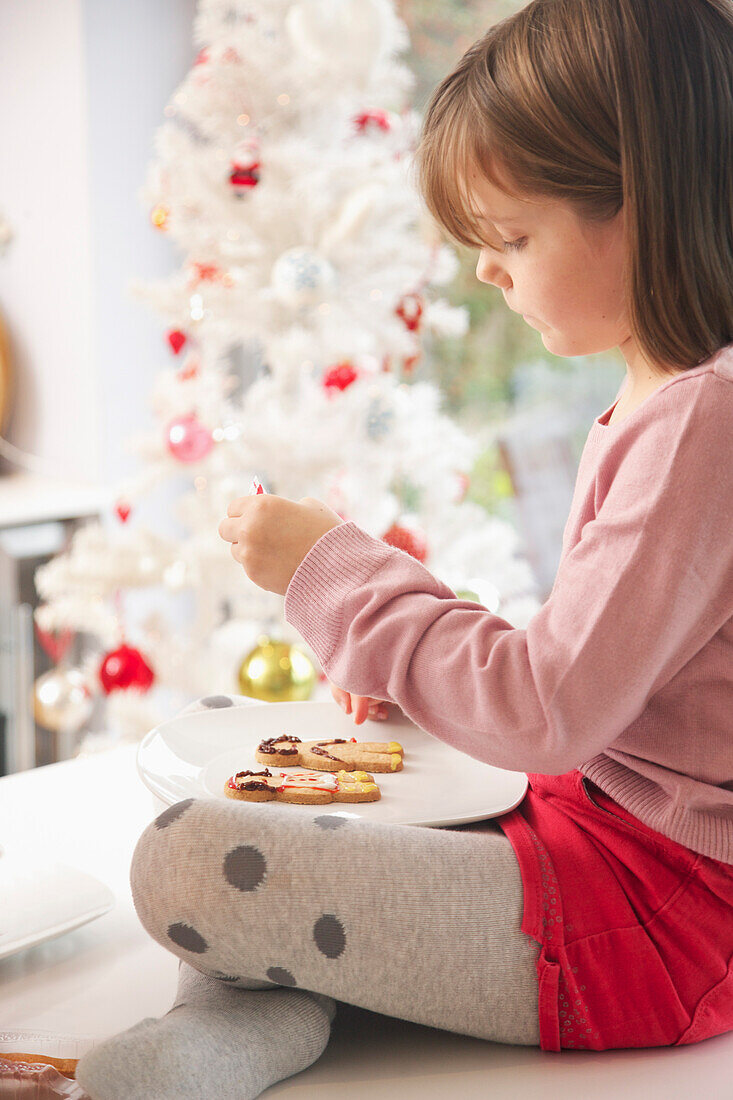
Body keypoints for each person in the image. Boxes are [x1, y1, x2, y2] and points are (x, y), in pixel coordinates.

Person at [75, 1, 733, 1096]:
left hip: (650, 917)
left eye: (511, 238)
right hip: (596, 840)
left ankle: (252, 1016)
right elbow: (583, 679)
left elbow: (546, 708)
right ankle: (243, 1024)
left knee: (190, 853)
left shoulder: (702, 421)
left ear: (640, 204)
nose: (486, 272)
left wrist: (331, 572)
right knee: (264, 804)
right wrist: (403, 662)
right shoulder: (669, 401)